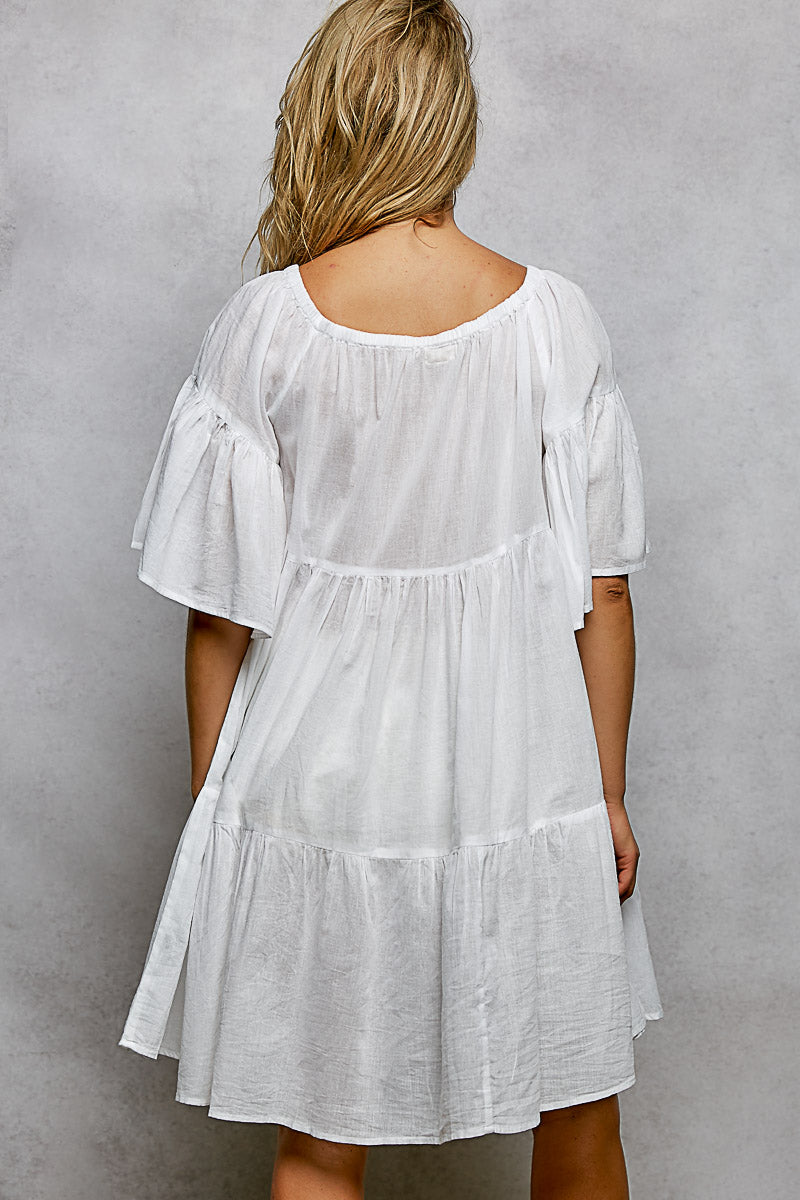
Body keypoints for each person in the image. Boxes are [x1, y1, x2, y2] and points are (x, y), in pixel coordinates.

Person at [118, 1, 664, 1196]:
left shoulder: (264, 325)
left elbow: (218, 611)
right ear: (451, 123)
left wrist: (216, 808)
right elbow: (604, 591)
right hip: (526, 770)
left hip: (315, 778)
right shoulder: (552, 318)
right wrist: (606, 795)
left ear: (327, 117)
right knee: (577, 1110)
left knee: (319, 1142)